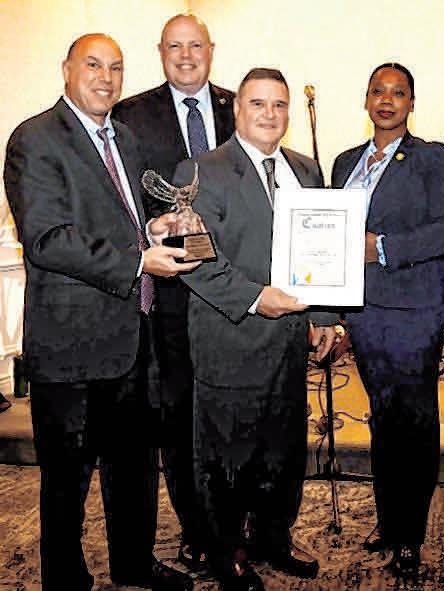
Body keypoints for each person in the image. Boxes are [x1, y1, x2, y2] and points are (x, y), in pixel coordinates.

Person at [3, 33, 198, 590]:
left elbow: (120, 222)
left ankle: (133, 562)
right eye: (93, 65)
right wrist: (139, 260)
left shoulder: (126, 139)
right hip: (71, 344)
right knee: (67, 478)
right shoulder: (35, 138)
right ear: (66, 69)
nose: (106, 78)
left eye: (116, 67)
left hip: (132, 335)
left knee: (133, 466)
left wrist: (154, 229)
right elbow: (48, 238)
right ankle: (66, 579)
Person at [172, 67, 338, 591]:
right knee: (227, 457)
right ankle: (227, 552)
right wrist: (254, 298)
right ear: (237, 110)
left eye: (279, 104)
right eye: (258, 103)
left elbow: (322, 252)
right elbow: (194, 259)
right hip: (230, 338)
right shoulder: (200, 171)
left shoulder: (306, 169)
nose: (270, 114)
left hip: (288, 344)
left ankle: (274, 538)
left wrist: (325, 315)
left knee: (282, 452)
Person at [331, 63, 444, 576]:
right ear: (366, 100)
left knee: (414, 422)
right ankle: (389, 522)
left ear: (412, 103)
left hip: (414, 311)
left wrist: (383, 248)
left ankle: (410, 536)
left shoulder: (431, 159)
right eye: (378, 91)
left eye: (398, 93)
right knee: (382, 419)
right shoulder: (345, 162)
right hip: (363, 313)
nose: (386, 100)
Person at [113, 13, 235, 570]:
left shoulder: (241, 108)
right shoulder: (129, 116)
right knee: (180, 417)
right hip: (169, 296)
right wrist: (150, 231)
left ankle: (242, 522)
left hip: (235, 291)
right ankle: (198, 528)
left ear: (211, 49)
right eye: (175, 46)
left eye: (195, 45)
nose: (186, 56)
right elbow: (119, 201)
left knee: (238, 411)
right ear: (160, 52)